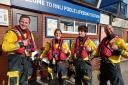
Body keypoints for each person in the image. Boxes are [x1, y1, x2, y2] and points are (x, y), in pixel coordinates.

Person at [2, 15, 37, 85]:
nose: (24, 24)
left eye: (26, 22)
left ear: (28, 24)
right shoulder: (11, 32)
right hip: (15, 60)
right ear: (19, 21)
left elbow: (33, 47)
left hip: (26, 59)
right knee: (14, 81)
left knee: (25, 81)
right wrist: (20, 44)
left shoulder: (30, 34)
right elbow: (4, 47)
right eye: (22, 22)